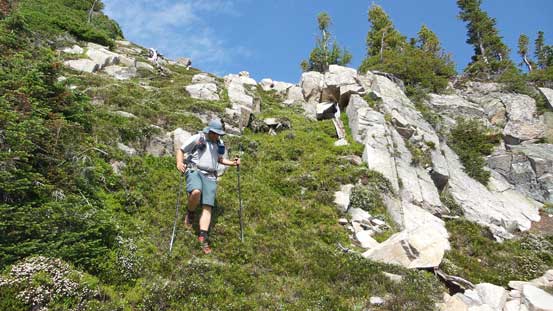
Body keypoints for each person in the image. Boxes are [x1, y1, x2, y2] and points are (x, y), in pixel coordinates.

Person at [176, 118, 240, 254]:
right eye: (215, 133)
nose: (217, 136)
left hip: (211, 175)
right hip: (195, 170)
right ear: (209, 130)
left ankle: (203, 237)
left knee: (208, 206)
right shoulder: (198, 138)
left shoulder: (219, 144)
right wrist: (179, 163)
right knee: (196, 192)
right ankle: (190, 213)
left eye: (219, 134)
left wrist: (233, 163)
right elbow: (181, 150)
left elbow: (220, 159)